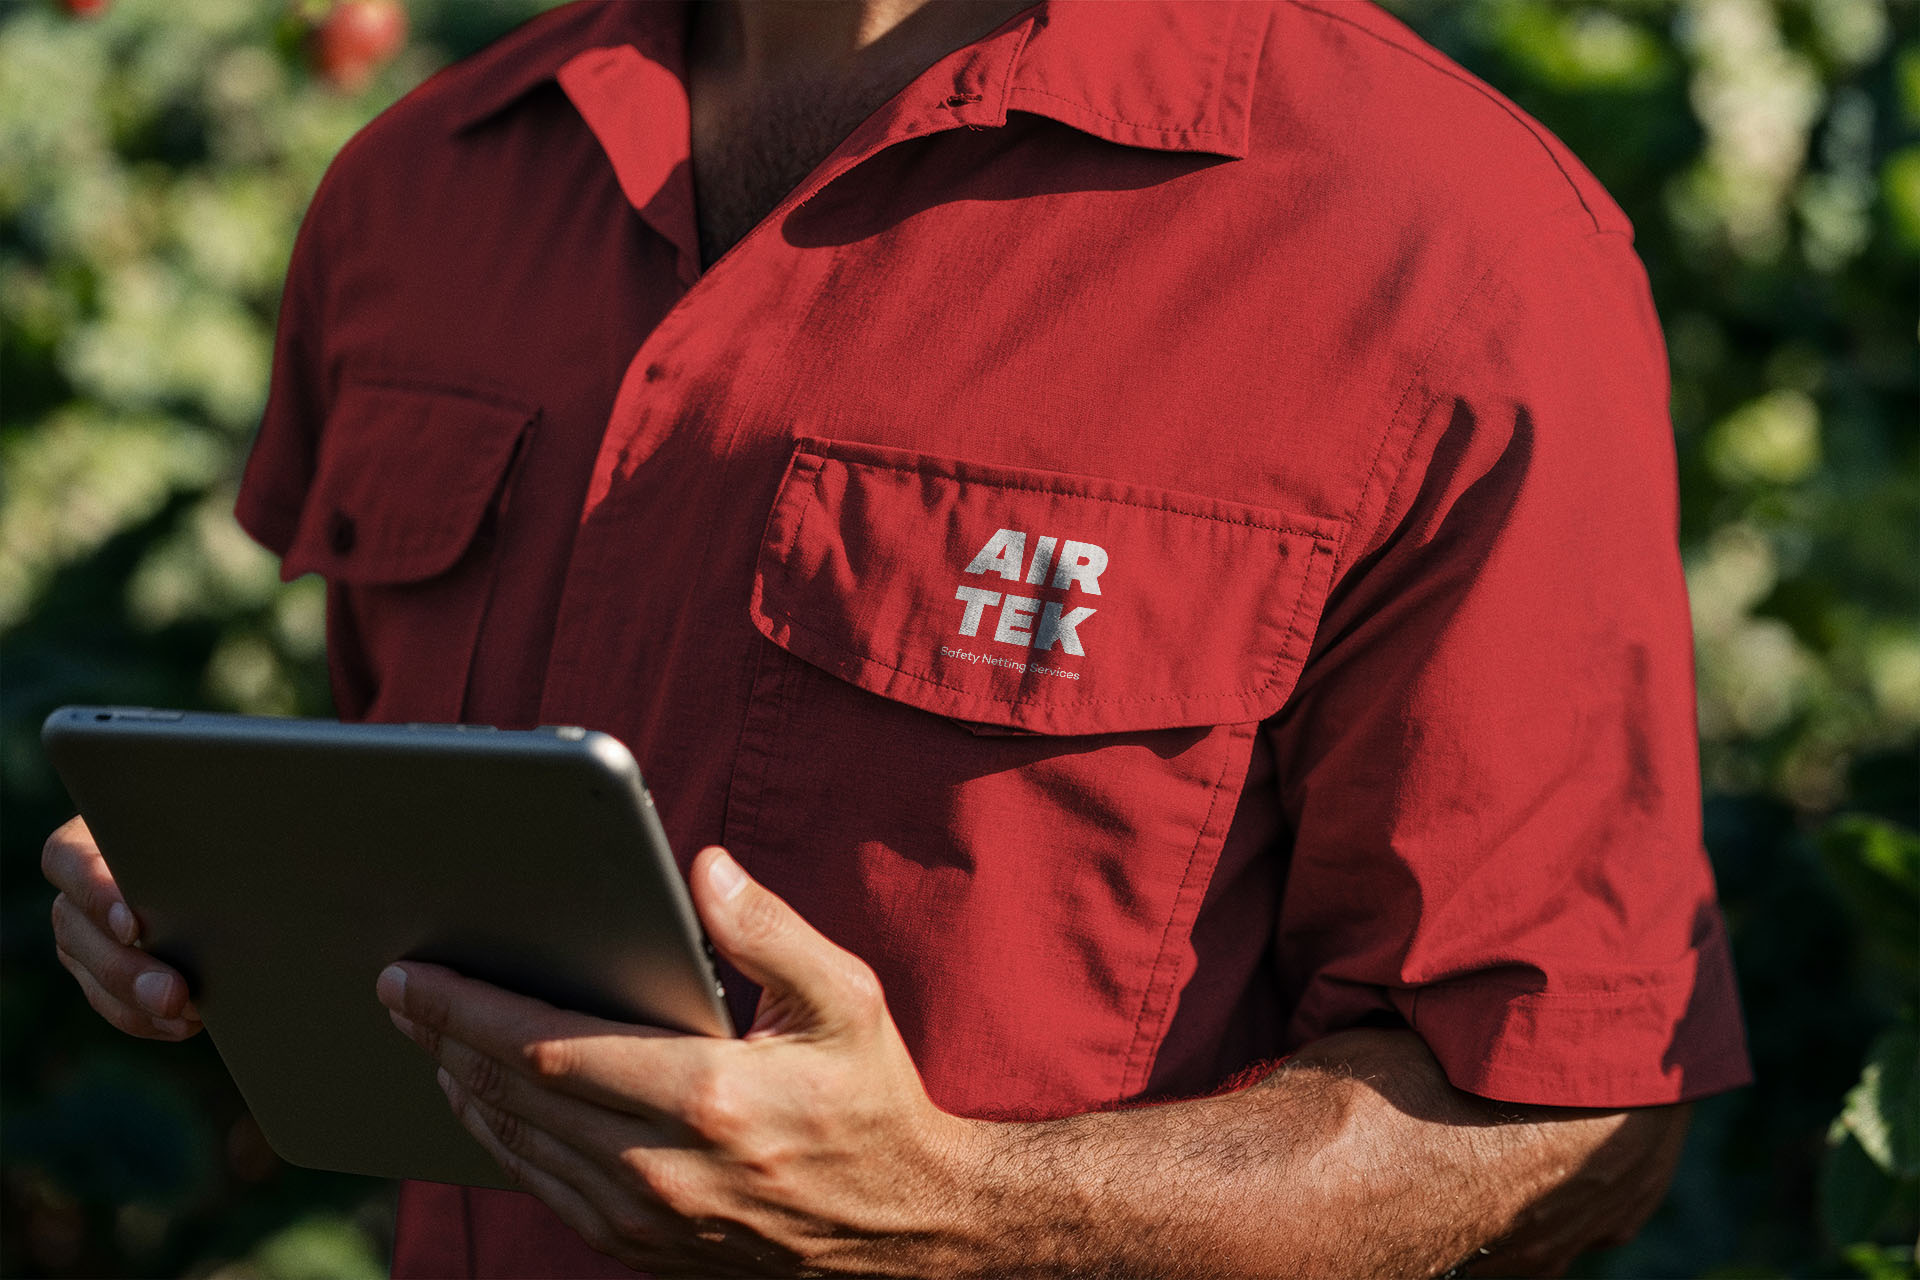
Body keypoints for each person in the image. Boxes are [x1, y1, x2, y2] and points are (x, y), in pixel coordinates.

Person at [42, 0, 1754, 1274]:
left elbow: (1562, 1118)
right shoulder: (427, 190)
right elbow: (403, 827)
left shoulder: (1445, 251)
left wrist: (958, 1213)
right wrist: (216, 904)